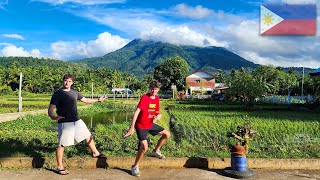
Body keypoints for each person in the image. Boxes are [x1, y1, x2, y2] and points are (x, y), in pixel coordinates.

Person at [48, 73, 107, 175]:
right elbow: (51, 109)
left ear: (72, 82)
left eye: (69, 81)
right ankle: (59, 167)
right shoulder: (58, 94)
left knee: (88, 135)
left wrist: (98, 100)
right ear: (63, 81)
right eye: (65, 80)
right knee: (62, 144)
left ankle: (95, 152)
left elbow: (86, 100)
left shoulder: (75, 93)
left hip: (76, 120)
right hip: (65, 122)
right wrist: (53, 116)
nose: (67, 82)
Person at [124, 80, 171, 177]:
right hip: (141, 126)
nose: (154, 91)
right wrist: (132, 127)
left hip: (150, 124)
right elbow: (137, 112)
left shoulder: (157, 99)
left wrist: (158, 115)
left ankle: (155, 151)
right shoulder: (144, 98)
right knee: (144, 147)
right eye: (152, 89)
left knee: (167, 134)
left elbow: (156, 111)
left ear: (158, 90)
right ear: (149, 89)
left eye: (156, 89)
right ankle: (135, 166)